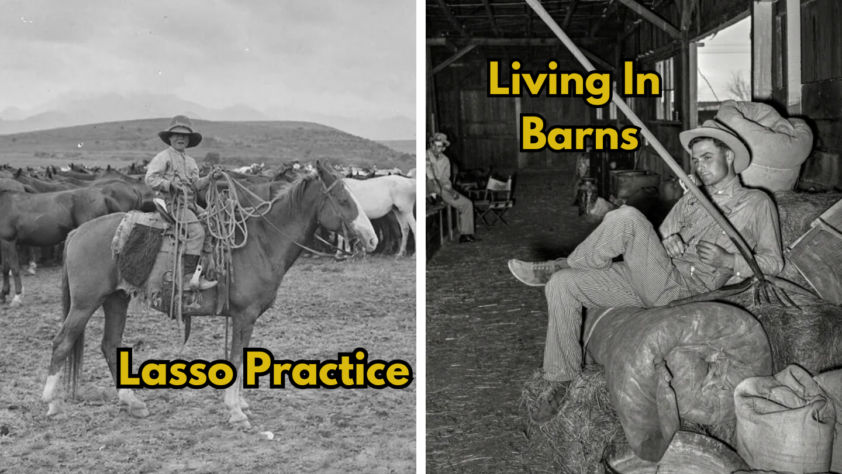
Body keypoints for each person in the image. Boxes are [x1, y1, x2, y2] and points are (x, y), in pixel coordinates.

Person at [508, 120, 784, 423]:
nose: (700, 166)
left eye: (707, 157)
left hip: (686, 290)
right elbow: (661, 238)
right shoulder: (692, 197)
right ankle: (562, 378)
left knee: (627, 216)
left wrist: (730, 261)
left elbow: (773, 262)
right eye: (695, 159)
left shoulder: (756, 203)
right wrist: (671, 241)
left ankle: (563, 263)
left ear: (729, 156)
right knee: (563, 285)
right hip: (655, 276)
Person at [145, 115, 220, 291]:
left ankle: (206, 269)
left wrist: (210, 177)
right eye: (177, 135)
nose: (181, 138)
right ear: (170, 138)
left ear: (189, 140)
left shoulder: (191, 161)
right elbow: (150, 179)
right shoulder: (164, 157)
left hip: (191, 205)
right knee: (197, 233)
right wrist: (169, 184)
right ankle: (186, 278)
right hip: (175, 205)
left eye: (184, 136)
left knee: (213, 222)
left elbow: (196, 185)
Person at [426, 132, 477, 244]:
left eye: (439, 146)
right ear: (430, 144)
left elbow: (445, 179)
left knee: (467, 203)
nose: (436, 148)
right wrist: (435, 183)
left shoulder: (445, 160)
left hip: (441, 187)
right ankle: (432, 200)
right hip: (426, 184)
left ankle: (466, 234)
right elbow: (428, 171)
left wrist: (451, 190)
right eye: (434, 145)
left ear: (443, 148)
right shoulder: (425, 155)